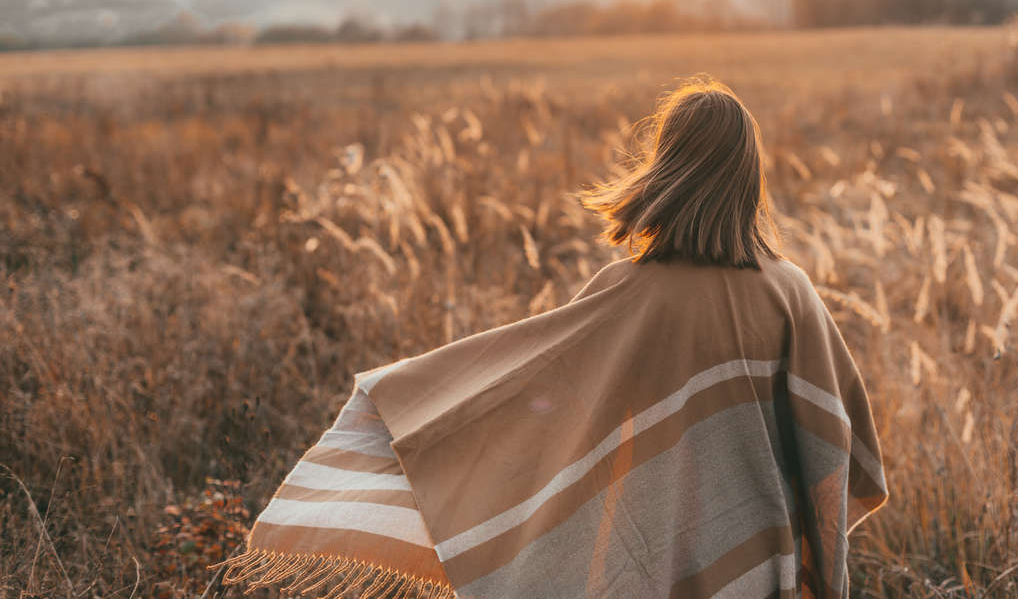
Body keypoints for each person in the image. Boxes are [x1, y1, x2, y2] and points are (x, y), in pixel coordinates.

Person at [214, 76, 887, 599]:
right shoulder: (789, 292)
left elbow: (555, 415)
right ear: (747, 174)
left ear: (667, 166)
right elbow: (832, 438)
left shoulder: (620, 293)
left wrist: (412, 404)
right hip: (761, 555)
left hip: (644, 564)